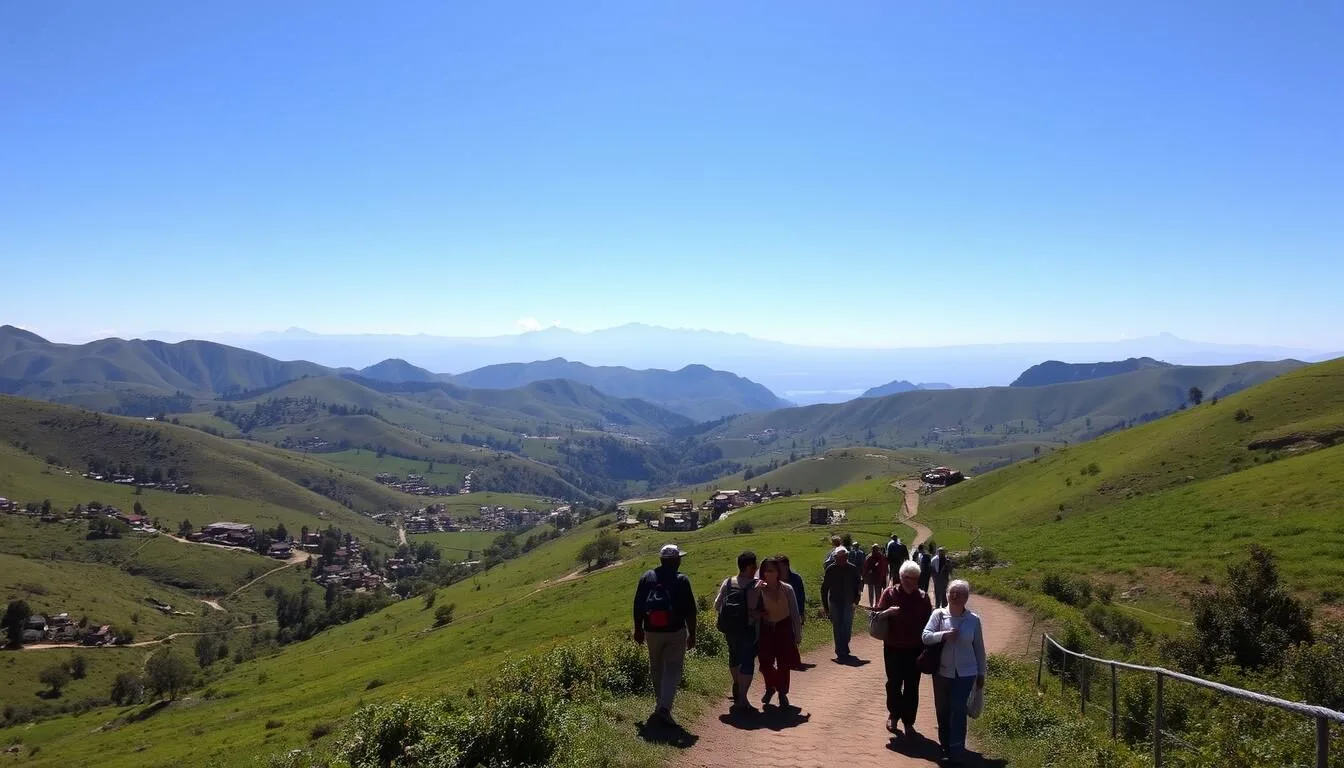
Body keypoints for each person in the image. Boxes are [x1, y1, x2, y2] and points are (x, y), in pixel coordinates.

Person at [922, 579, 987, 765]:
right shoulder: (938, 615)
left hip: (966, 673)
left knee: (958, 708)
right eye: (952, 592)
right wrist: (943, 635)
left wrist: (981, 673)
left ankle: (957, 748)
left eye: (960, 593)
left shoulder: (973, 620)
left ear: (966, 598)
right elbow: (925, 636)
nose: (955, 596)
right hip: (942, 672)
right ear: (947, 594)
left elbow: (979, 649)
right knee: (943, 709)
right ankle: (945, 745)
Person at [632, 543, 697, 727]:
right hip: (676, 630)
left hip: (651, 630)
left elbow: (637, 605)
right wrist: (692, 634)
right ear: (676, 561)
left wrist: (638, 629)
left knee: (656, 667)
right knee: (673, 669)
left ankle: (660, 704)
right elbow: (691, 610)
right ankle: (664, 708)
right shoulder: (682, 580)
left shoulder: (647, 577)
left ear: (661, 560)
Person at [875, 560, 932, 734]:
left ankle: (908, 721)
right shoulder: (889, 593)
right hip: (893, 647)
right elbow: (876, 616)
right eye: (908, 578)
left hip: (915, 649)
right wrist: (888, 612)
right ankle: (894, 714)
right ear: (901, 577)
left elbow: (930, 621)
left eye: (915, 578)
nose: (912, 582)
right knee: (893, 684)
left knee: (912, 686)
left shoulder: (923, 597)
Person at [715, 550, 762, 711]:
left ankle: (736, 683)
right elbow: (754, 610)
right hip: (748, 628)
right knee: (747, 661)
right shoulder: (755, 585)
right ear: (750, 566)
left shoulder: (728, 582)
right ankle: (743, 698)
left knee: (734, 657)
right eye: (755, 565)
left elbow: (717, 605)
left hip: (730, 629)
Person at [754, 556, 802, 709]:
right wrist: (756, 591)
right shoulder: (758, 589)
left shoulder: (787, 589)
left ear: (778, 572)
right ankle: (771, 687)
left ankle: (782, 693)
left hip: (784, 628)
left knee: (784, 663)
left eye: (772, 570)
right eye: (765, 571)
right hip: (766, 630)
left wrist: (797, 634)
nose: (768, 574)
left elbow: (794, 612)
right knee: (765, 664)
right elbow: (752, 611)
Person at [820, 545, 861, 660]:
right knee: (837, 626)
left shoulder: (852, 569)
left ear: (847, 556)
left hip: (849, 601)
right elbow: (824, 589)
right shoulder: (831, 570)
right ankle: (840, 649)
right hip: (835, 602)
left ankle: (844, 645)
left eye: (843, 557)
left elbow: (858, 585)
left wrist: (857, 599)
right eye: (838, 557)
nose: (841, 559)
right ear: (835, 558)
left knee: (847, 625)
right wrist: (826, 607)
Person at [778, 554, 807, 671]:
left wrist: (801, 613)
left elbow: (801, 597)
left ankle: (794, 660)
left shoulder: (796, 579)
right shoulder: (775, 579)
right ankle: (788, 659)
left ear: (786, 566)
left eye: (780, 566)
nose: (778, 568)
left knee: (794, 635)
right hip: (780, 613)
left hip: (794, 611)